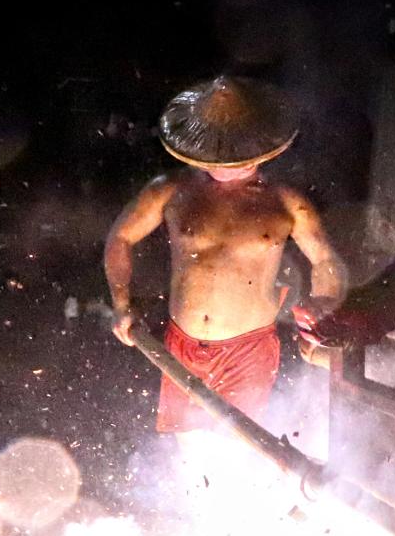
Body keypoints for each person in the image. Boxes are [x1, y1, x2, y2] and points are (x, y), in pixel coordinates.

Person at [103, 75, 344, 432]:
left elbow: (324, 259)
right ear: (201, 150)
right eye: (222, 154)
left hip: (248, 351)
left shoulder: (287, 203)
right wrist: (122, 305)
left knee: (237, 447)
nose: (232, 163)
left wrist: (324, 310)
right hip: (181, 348)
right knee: (189, 455)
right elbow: (120, 237)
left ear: (262, 146)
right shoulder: (170, 191)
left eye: (242, 154)